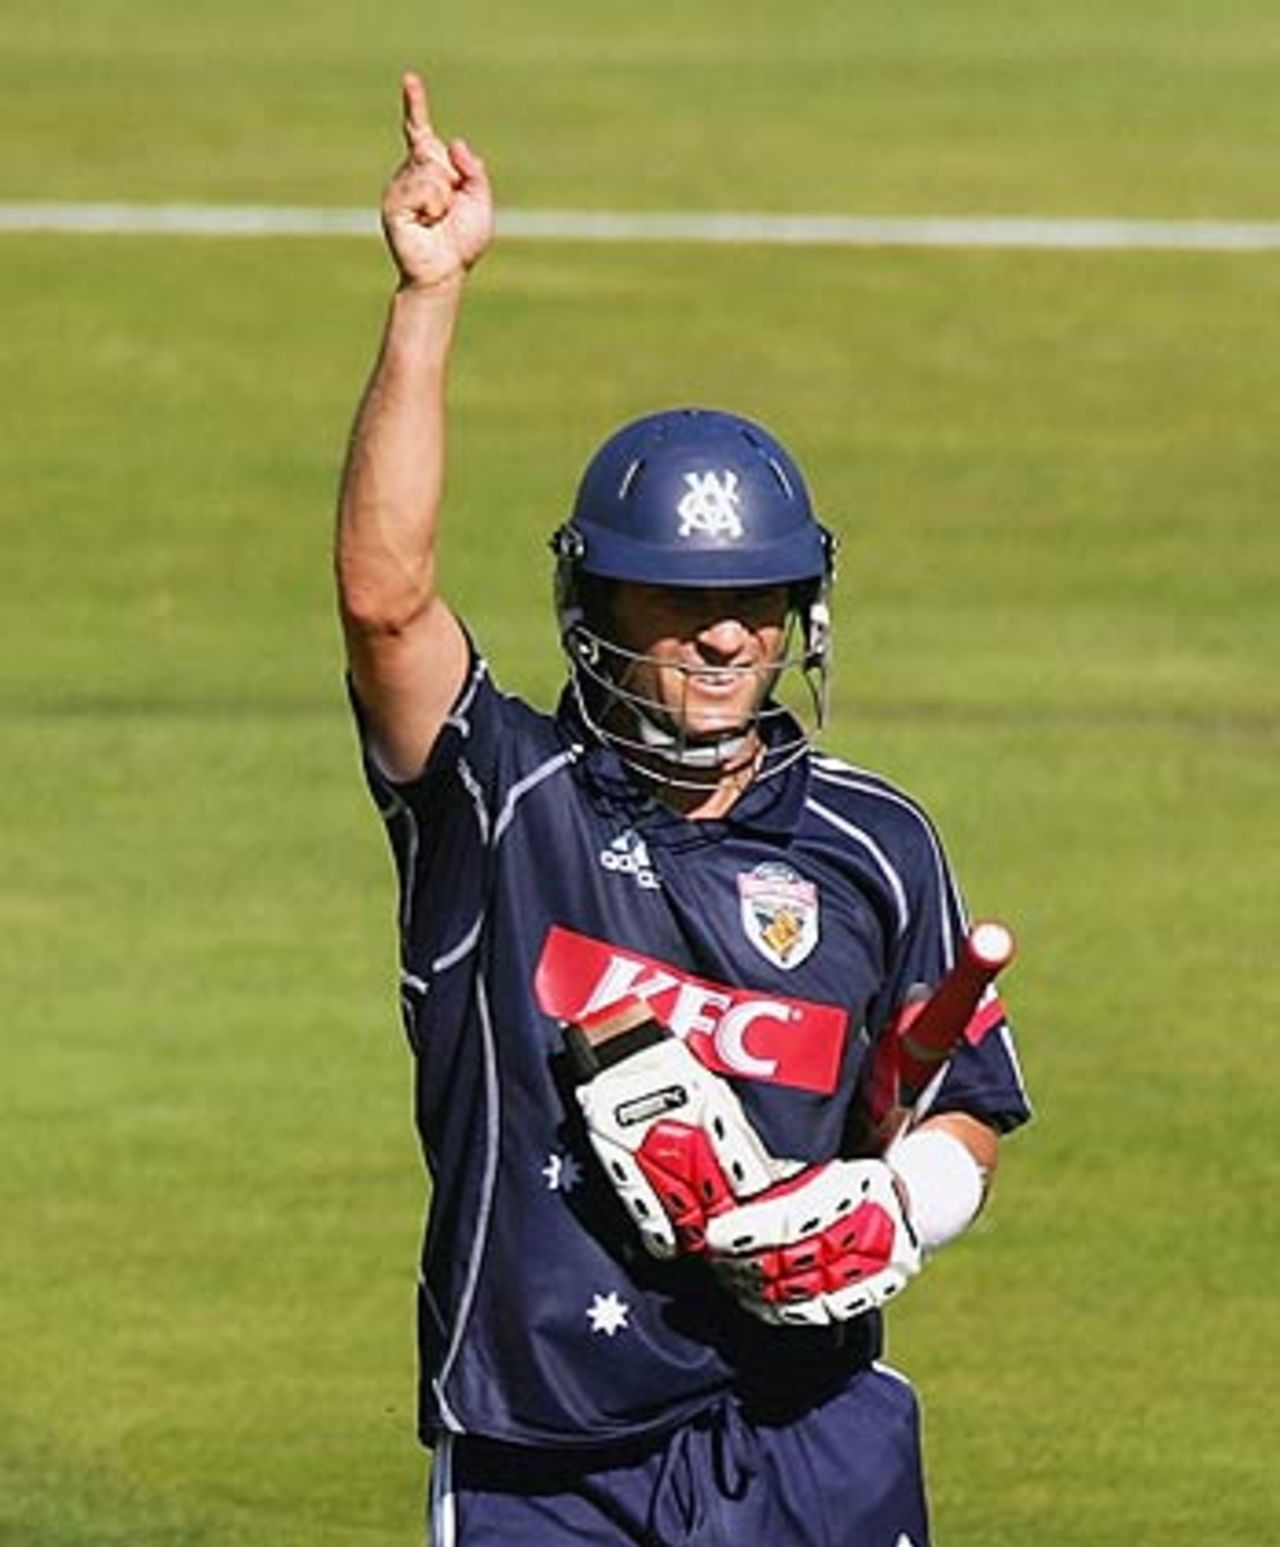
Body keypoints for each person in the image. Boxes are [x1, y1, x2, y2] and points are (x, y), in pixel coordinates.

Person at [336, 70, 1031, 1547]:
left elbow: (967, 1103)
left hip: (812, 1438)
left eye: (754, 603)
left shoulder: (874, 843)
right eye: (681, 602)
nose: (723, 639)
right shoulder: (501, 807)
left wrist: (905, 1204)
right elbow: (388, 608)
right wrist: (428, 297)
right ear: (598, 608)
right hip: (549, 1455)